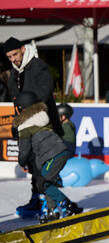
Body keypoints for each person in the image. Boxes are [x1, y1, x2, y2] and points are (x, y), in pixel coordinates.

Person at [5, 37, 64, 216]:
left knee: (44, 166)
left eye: (14, 54)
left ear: (23, 49)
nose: (13, 59)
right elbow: (16, 98)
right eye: (9, 57)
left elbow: (44, 92)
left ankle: (53, 202)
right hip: (26, 123)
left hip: (43, 123)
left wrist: (27, 111)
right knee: (33, 164)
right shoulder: (15, 72)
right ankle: (37, 199)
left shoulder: (37, 65)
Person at [12, 92, 82, 223]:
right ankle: (52, 211)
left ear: (22, 108)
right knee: (47, 182)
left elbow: (24, 150)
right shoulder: (42, 117)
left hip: (52, 155)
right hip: (58, 152)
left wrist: (22, 163)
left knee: (43, 182)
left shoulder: (25, 126)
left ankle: (68, 206)